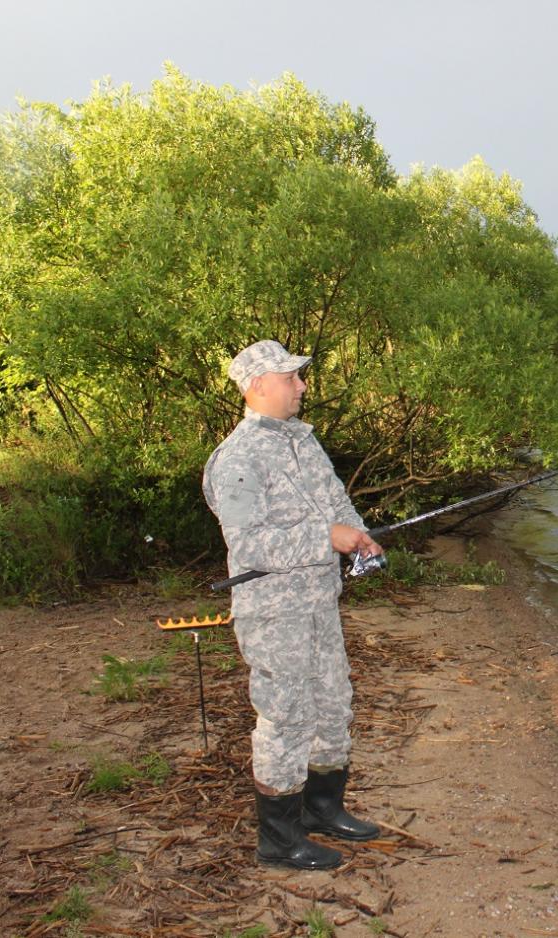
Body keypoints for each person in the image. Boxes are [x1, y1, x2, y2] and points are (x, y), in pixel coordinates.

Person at [202, 339, 385, 870]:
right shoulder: (237, 457)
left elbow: (336, 502)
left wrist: (359, 536)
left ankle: (323, 809)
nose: (302, 385)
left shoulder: (302, 441)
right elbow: (249, 545)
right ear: (258, 385)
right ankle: (280, 839)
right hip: (273, 613)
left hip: (319, 602)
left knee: (333, 703)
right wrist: (327, 538)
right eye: (291, 378)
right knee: (285, 718)